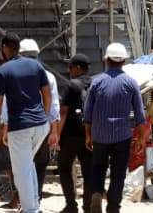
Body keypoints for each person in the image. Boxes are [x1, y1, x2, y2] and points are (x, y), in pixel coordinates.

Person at [0, 33, 55, 213]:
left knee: (21, 171)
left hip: (20, 127)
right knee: (28, 165)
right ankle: (34, 205)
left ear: (4, 47)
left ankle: (30, 209)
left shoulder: (4, 71)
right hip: (40, 125)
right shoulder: (36, 66)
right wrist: (44, 115)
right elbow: (47, 94)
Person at [82, 43, 144, 213]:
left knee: (98, 167)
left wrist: (88, 135)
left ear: (107, 60)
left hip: (99, 134)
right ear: (123, 61)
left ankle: (96, 192)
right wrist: (141, 138)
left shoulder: (96, 82)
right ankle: (113, 207)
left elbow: (87, 112)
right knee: (118, 174)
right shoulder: (131, 83)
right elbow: (139, 114)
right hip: (122, 135)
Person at [18, 39, 60, 196]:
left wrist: (2, 127)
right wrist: (54, 132)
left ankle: (24, 198)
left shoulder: (13, 75)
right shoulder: (49, 76)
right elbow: (53, 106)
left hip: (20, 126)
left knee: (22, 164)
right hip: (42, 127)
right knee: (40, 163)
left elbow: (6, 105)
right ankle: (36, 196)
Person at [57, 54, 92, 213]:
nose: (69, 70)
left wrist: (57, 134)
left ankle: (71, 205)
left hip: (70, 134)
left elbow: (63, 111)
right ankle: (88, 205)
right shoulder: (95, 84)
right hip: (89, 134)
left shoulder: (72, 85)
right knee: (88, 172)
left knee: (64, 168)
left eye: (70, 67)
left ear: (78, 68)